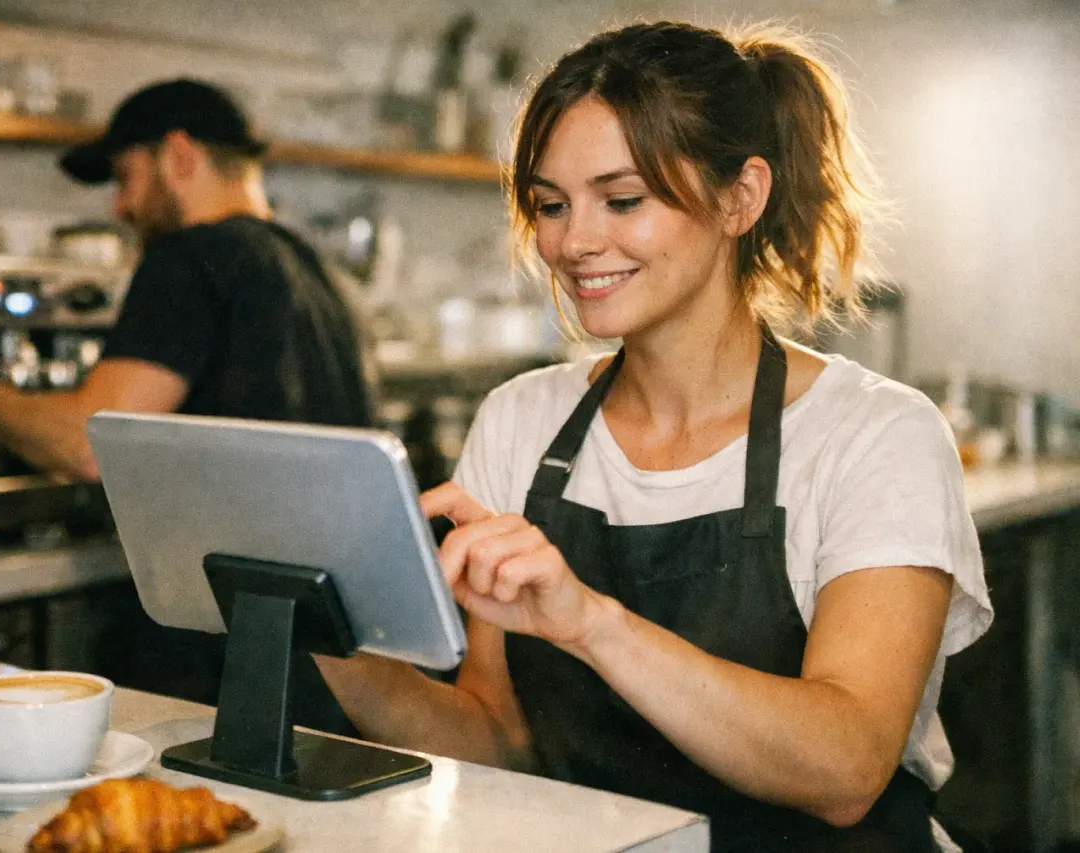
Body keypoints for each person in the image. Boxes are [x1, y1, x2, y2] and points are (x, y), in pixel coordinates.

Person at [314, 21, 992, 852]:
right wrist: (323, 630)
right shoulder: (522, 421)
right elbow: (500, 742)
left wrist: (591, 622)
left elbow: (846, 767)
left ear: (741, 197)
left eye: (623, 199)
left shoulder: (874, 434)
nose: (572, 242)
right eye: (552, 204)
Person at [0, 78, 375, 735]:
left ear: (179, 156)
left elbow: (88, 441)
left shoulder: (191, 257)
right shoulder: (311, 269)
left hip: (217, 647)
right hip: (329, 652)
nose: (120, 204)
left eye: (125, 176)